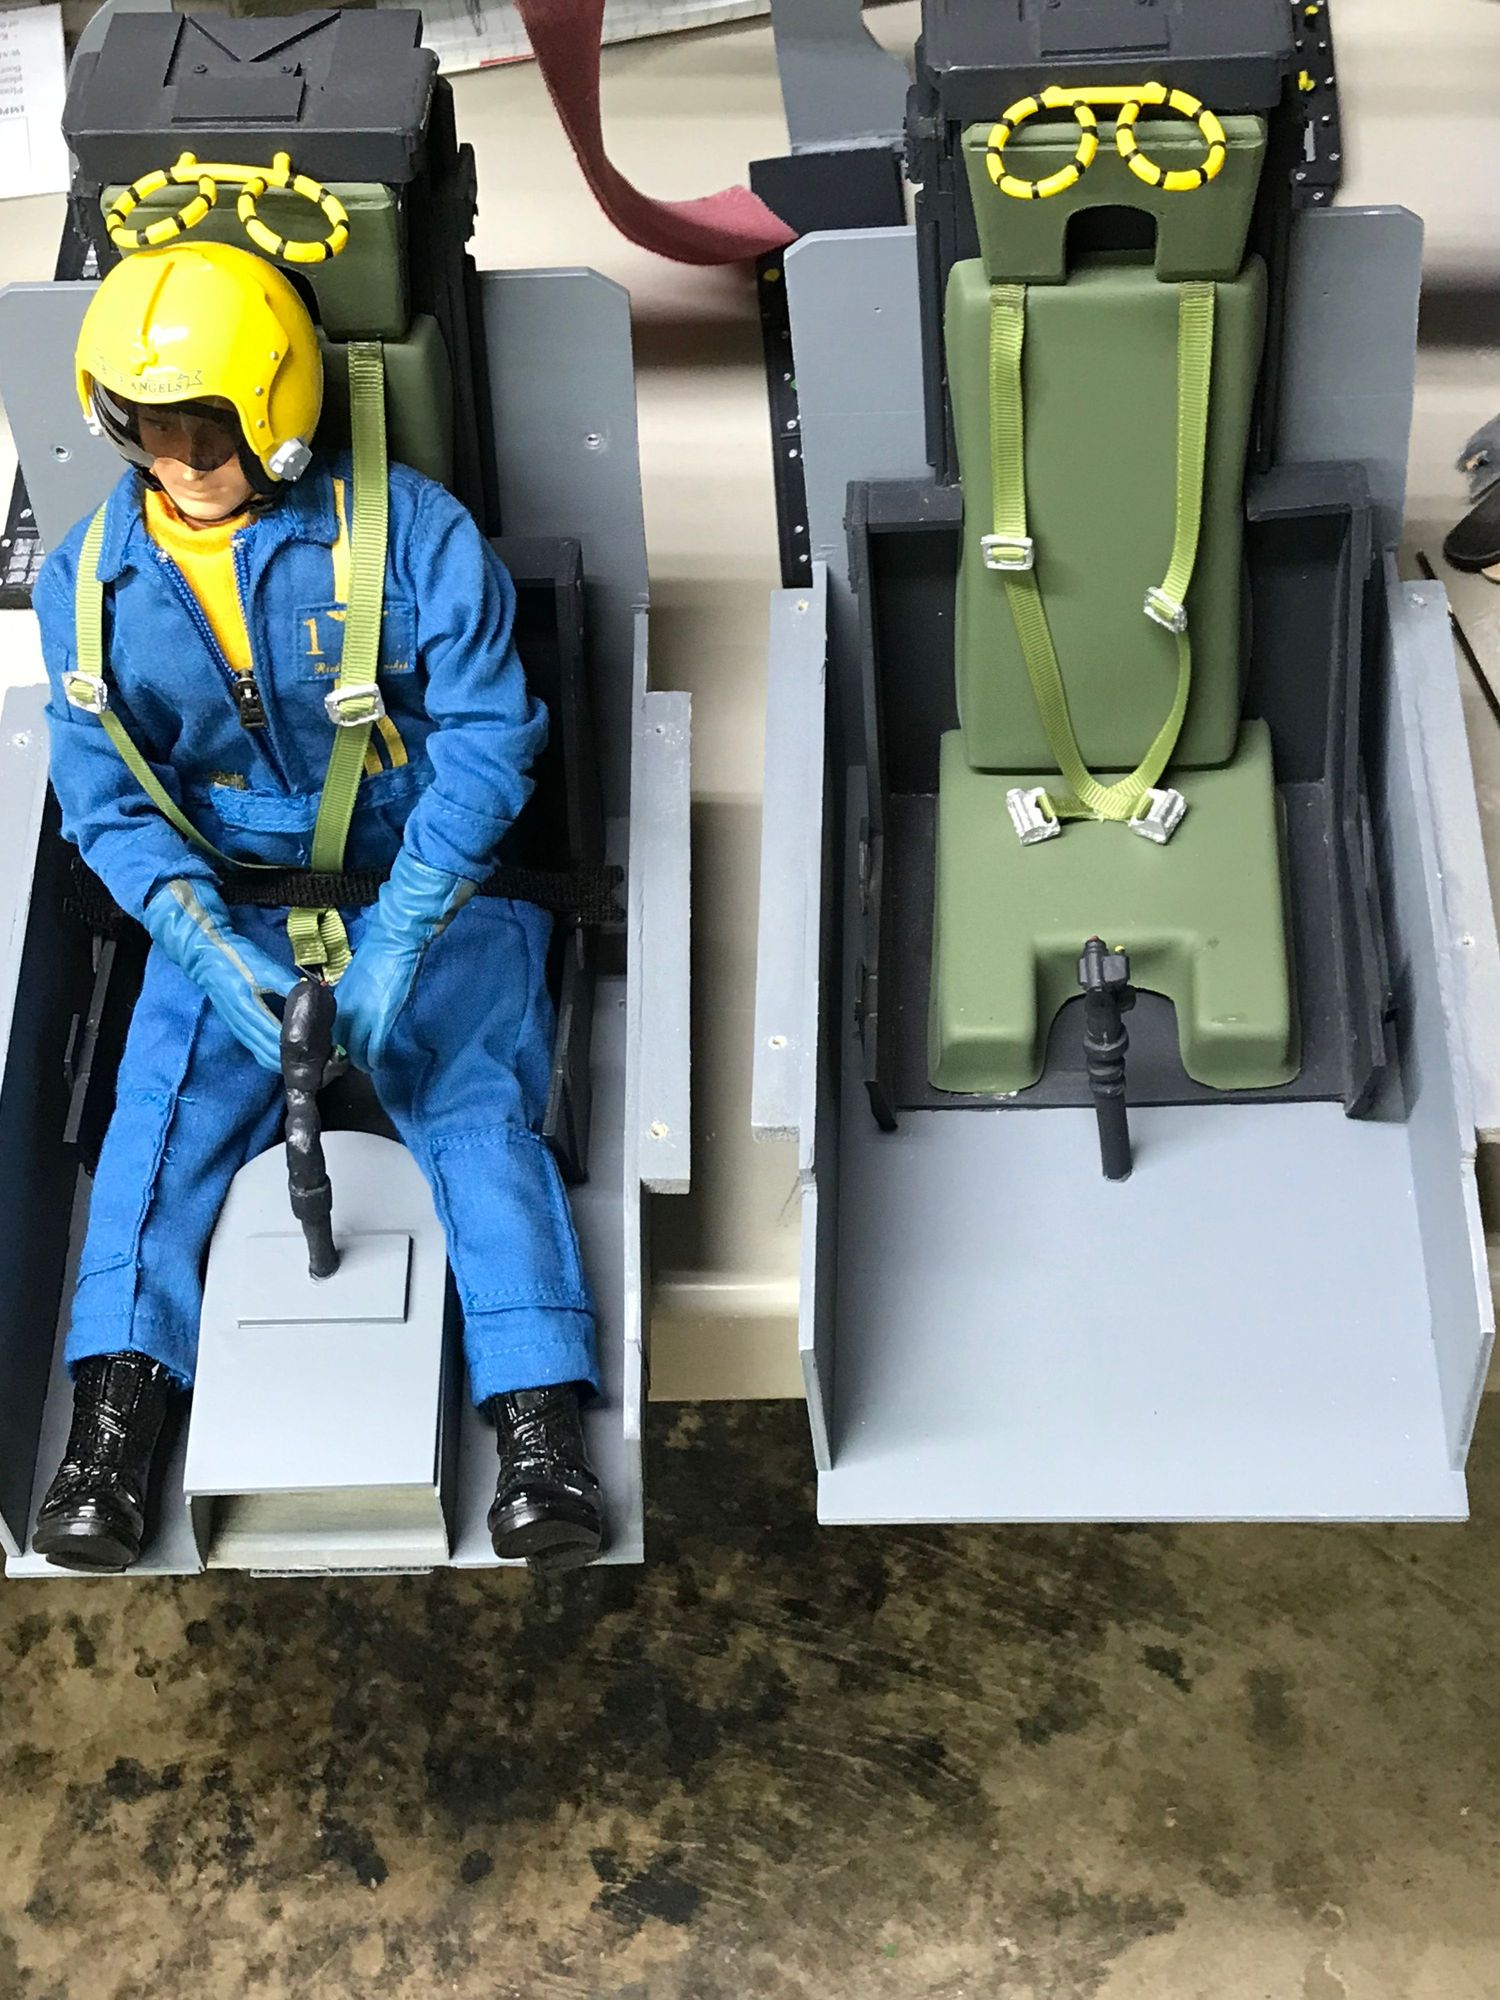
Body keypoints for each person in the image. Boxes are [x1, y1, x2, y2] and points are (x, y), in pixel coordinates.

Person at [30, 239, 605, 1575]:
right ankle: (112, 1431)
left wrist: (402, 932)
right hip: (230, 909)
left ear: (277, 409)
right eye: (145, 431)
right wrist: (196, 944)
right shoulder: (90, 586)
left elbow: (490, 738)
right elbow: (103, 803)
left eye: (204, 430)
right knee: (158, 1122)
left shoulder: (410, 535)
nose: (179, 462)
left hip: (434, 891)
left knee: (476, 1115)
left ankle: (537, 1427)